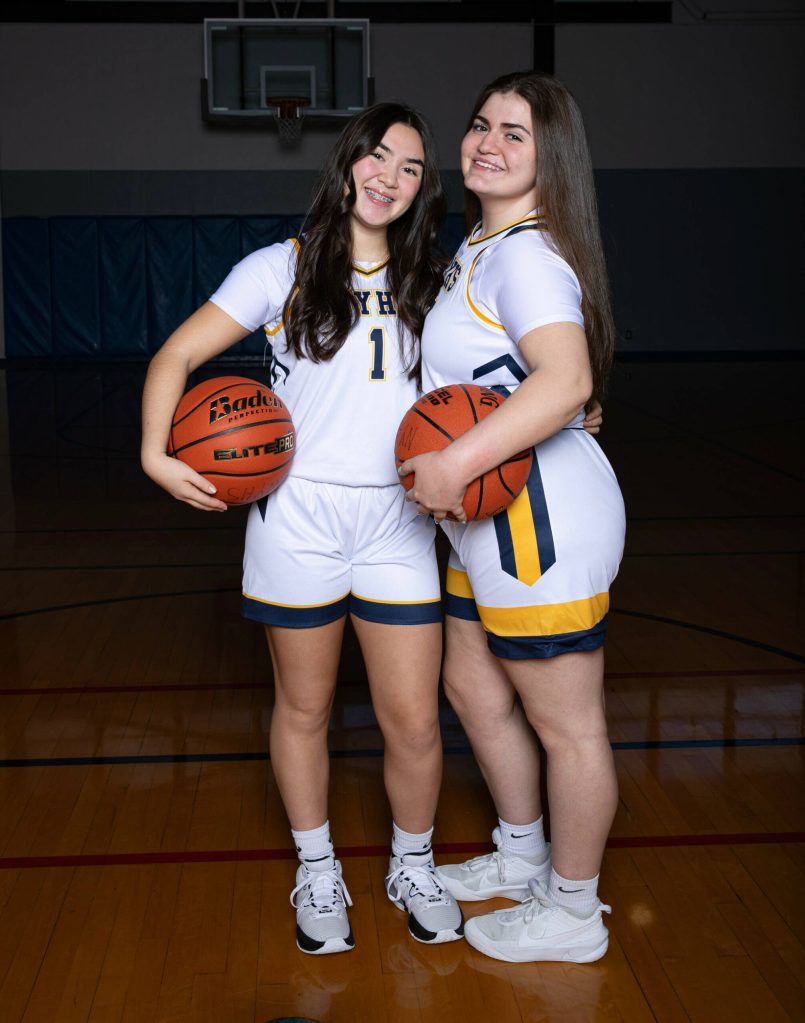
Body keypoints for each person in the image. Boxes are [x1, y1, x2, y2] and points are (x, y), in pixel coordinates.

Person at [141, 103, 466, 954]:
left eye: (410, 168)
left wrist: (575, 399)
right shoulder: (278, 267)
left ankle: (413, 861)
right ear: (347, 161)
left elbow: (499, 379)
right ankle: (317, 864)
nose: (389, 177)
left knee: (416, 720)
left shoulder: (435, 278)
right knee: (304, 706)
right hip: (298, 516)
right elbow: (174, 356)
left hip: (397, 517)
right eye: (378, 157)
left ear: (422, 189)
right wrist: (153, 452)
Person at [399, 71, 626, 964]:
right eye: (480, 124)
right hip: (478, 517)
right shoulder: (481, 246)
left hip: (536, 516)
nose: (488, 141)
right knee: (473, 688)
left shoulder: (527, 255)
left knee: (567, 722)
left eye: (515, 134)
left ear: (550, 158)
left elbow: (564, 379)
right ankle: (523, 852)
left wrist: (455, 458)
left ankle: (571, 912)